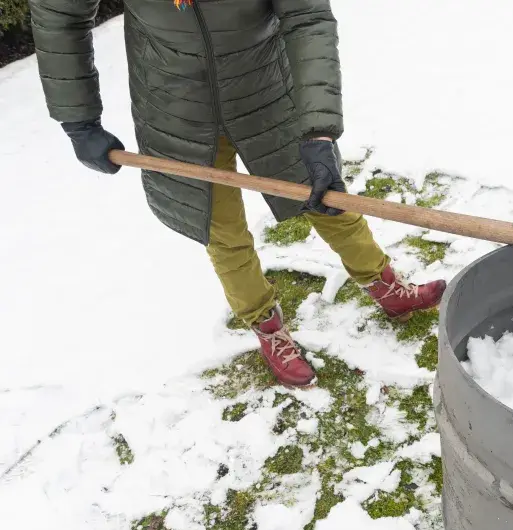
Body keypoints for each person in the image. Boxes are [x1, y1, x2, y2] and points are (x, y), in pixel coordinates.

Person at [28, 0, 446, 388]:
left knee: (325, 196)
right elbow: (59, 13)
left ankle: (384, 285)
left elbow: (306, 15)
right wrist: (78, 119)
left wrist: (318, 130)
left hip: (265, 88)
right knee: (221, 228)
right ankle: (266, 325)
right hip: (174, 108)